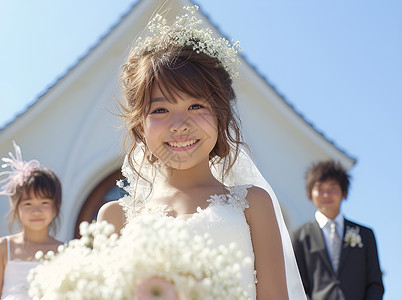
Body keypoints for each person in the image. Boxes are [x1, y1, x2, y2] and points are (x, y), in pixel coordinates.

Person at [97, 6, 306, 299]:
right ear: (140, 125)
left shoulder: (253, 205)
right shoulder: (114, 217)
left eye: (196, 106)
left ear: (220, 115)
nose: (179, 125)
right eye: (160, 110)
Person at [291, 160, 384, 299]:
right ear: (310, 194)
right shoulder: (299, 237)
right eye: (319, 189)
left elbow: (375, 283)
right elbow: (298, 285)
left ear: (344, 192)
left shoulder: (365, 235)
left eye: (333, 188)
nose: (326, 194)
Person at [0, 141, 63, 300]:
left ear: (55, 206)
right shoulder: (3, 247)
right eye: (28, 203)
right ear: (16, 207)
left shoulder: (64, 250)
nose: (36, 210)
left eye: (44, 203)